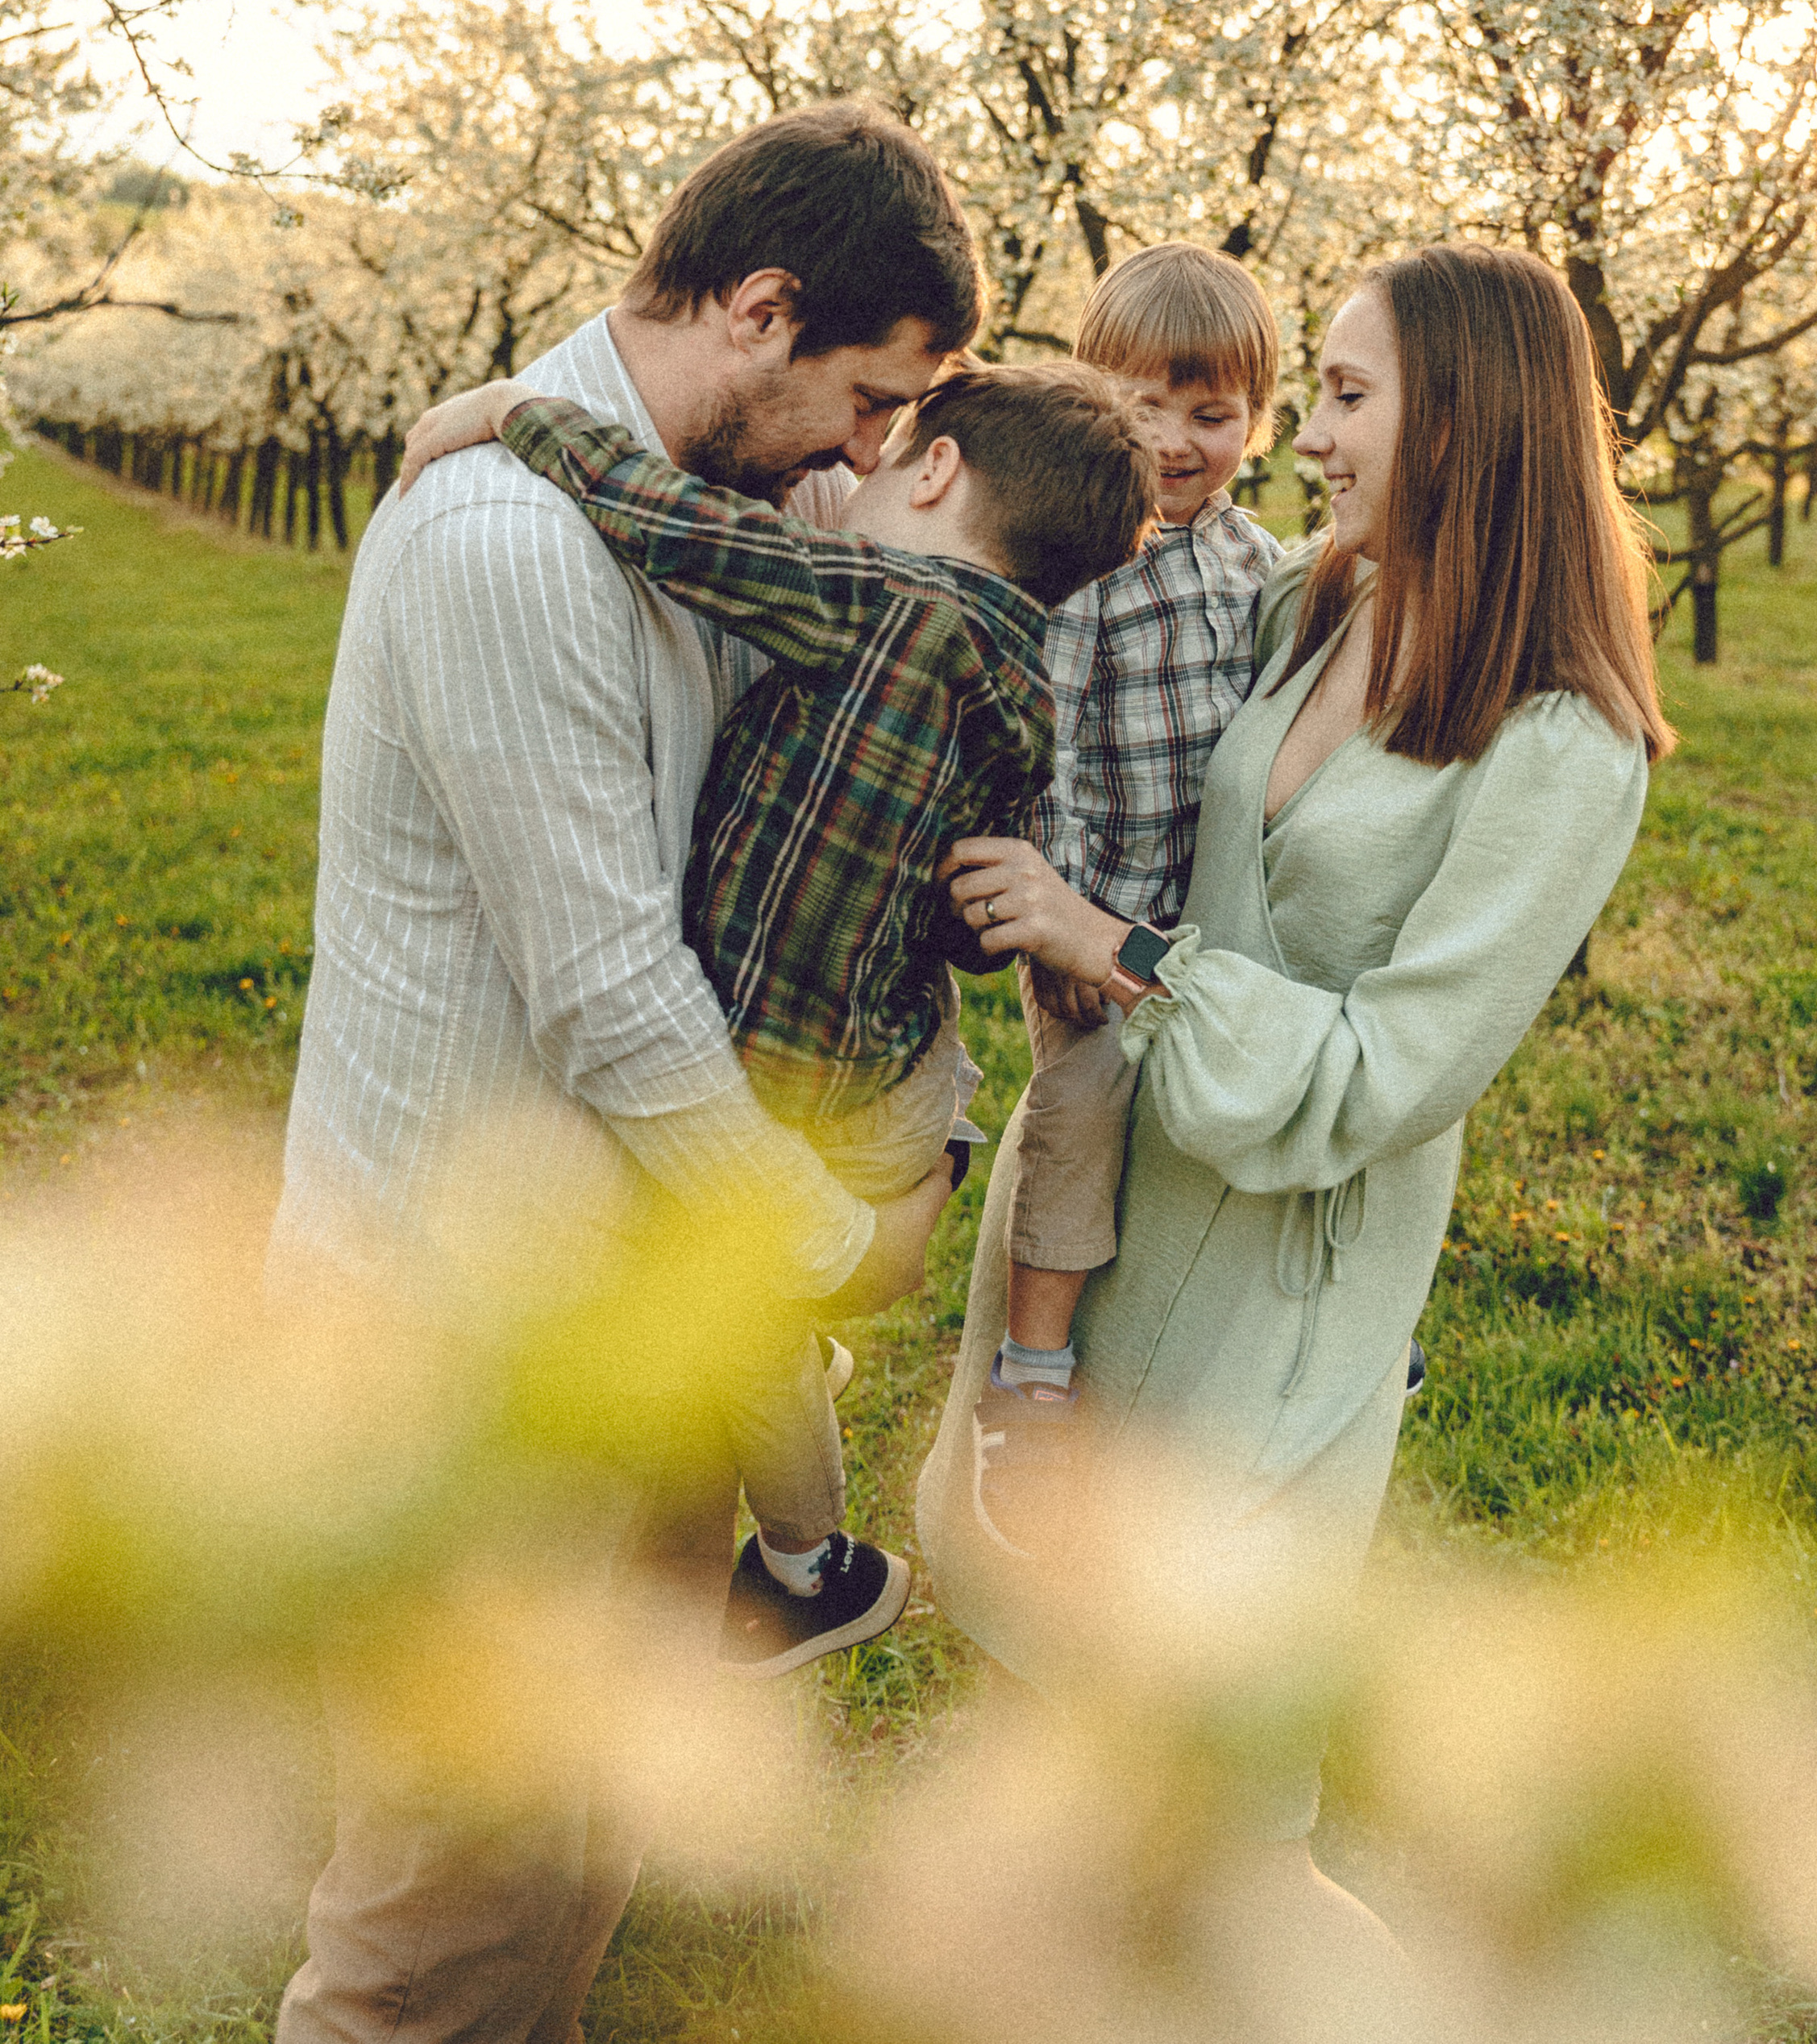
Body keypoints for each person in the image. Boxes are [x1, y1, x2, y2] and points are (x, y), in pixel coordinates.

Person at [272, 101, 987, 2044]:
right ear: (759, 310)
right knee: (435, 1923)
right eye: (862, 397)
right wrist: (828, 1248)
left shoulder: (707, 503)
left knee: (574, 1863)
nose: (869, 453)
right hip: (463, 1340)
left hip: (636, 1310)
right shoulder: (513, 545)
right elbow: (603, 993)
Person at [923, 243, 1670, 1904]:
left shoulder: (1561, 745)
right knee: (1030, 1701)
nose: (1303, 441)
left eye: (1339, 397)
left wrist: (1113, 949)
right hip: (1105, 1207)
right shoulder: (1318, 596)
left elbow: (1386, 1075)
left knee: (1207, 1810)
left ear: (1466, 426)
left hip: (1277, 1282)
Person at [394, 356, 1160, 1673]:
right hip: (896, 1071)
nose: (852, 470)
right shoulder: (1021, 694)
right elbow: (972, 928)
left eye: (887, 442)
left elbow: (680, 530)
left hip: (793, 1077)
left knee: (742, 1327)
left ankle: (811, 1566)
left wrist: (517, 413)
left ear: (934, 471)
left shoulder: (877, 604)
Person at [977, 244, 1282, 1535]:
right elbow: (1052, 749)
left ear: (1256, 425)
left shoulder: (1258, 563)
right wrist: (1069, 938)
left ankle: (1316, 1326)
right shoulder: (1079, 559)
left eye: (1209, 415)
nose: (1173, 441)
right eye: (1142, 406)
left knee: (1251, 1105)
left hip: (1209, 919)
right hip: (1091, 910)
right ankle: (1033, 1368)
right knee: (1089, 1107)